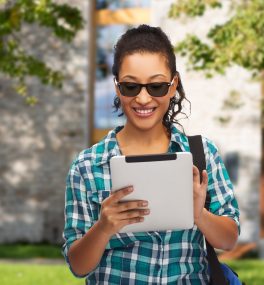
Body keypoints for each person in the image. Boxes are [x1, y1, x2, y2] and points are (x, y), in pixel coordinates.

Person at [62, 24, 240, 285]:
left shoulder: (202, 154)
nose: (143, 99)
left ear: (173, 85)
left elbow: (229, 239)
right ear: (116, 86)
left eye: (156, 86)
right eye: (131, 87)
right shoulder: (87, 166)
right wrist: (103, 228)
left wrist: (199, 214)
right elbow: (78, 266)